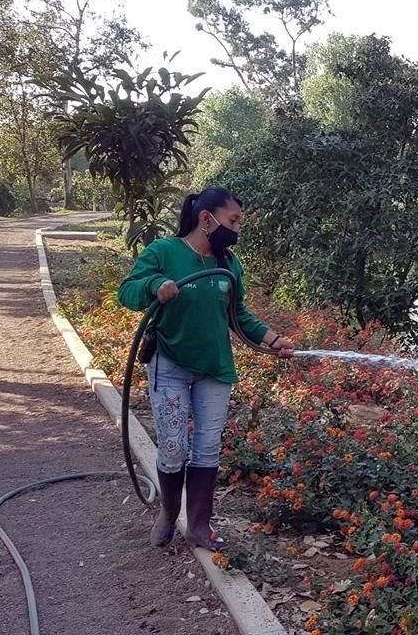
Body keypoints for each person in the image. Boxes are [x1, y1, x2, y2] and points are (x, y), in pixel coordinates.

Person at [118, 187, 293, 549]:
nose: (237, 229)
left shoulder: (228, 264)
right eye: (233, 220)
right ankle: (169, 513)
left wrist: (273, 340)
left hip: (214, 369)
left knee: (207, 447)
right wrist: (155, 285)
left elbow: (238, 314)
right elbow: (128, 291)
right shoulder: (164, 252)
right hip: (170, 364)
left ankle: (199, 525)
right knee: (172, 447)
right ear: (206, 218)